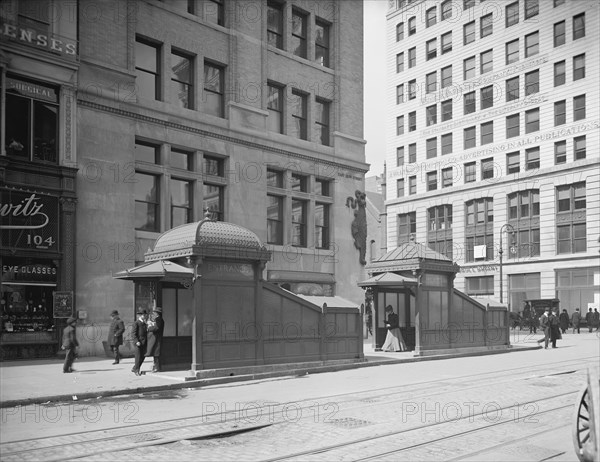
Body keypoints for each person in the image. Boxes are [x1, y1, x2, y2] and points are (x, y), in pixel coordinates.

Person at [145, 306, 164, 372]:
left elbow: (157, 328)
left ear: (157, 313)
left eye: (154, 312)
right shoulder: (159, 319)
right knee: (156, 354)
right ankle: (156, 367)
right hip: (157, 338)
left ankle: (157, 367)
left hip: (157, 338)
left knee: (156, 354)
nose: (153, 314)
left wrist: (149, 328)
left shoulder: (158, 319)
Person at [131, 309, 148, 376]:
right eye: (143, 315)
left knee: (143, 357)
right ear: (140, 316)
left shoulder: (144, 323)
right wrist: (136, 341)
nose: (144, 316)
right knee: (138, 357)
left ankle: (135, 368)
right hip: (138, 342)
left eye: (144, 315)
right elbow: (133, 334)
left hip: (144, 342)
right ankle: (137, 370)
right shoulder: (136, 323)